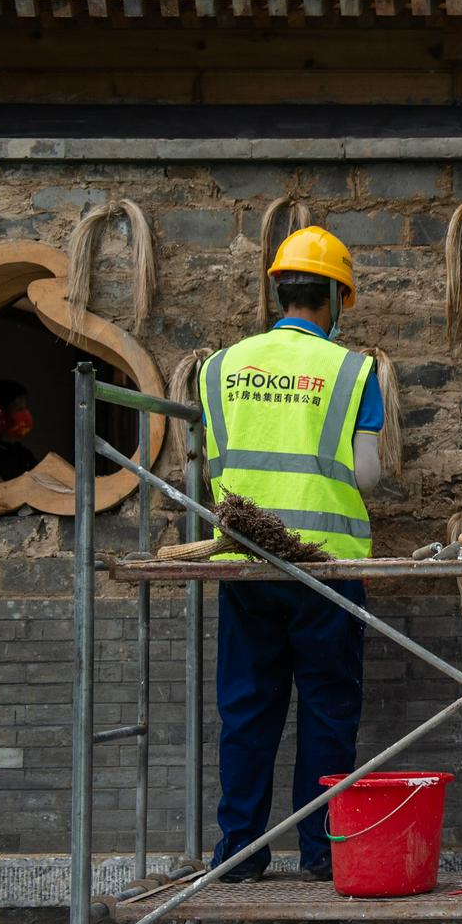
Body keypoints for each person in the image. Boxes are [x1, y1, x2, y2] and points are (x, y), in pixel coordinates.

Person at [199, 227, 384, 882]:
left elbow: (211, 465)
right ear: (335, 295)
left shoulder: (218, 367)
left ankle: (242, 852)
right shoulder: (354, 370)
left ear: (278, 288)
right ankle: (320, 850)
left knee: (247, 709)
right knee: (328, 710)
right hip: (326, 568)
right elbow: (366, 477)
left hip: (245, 565)